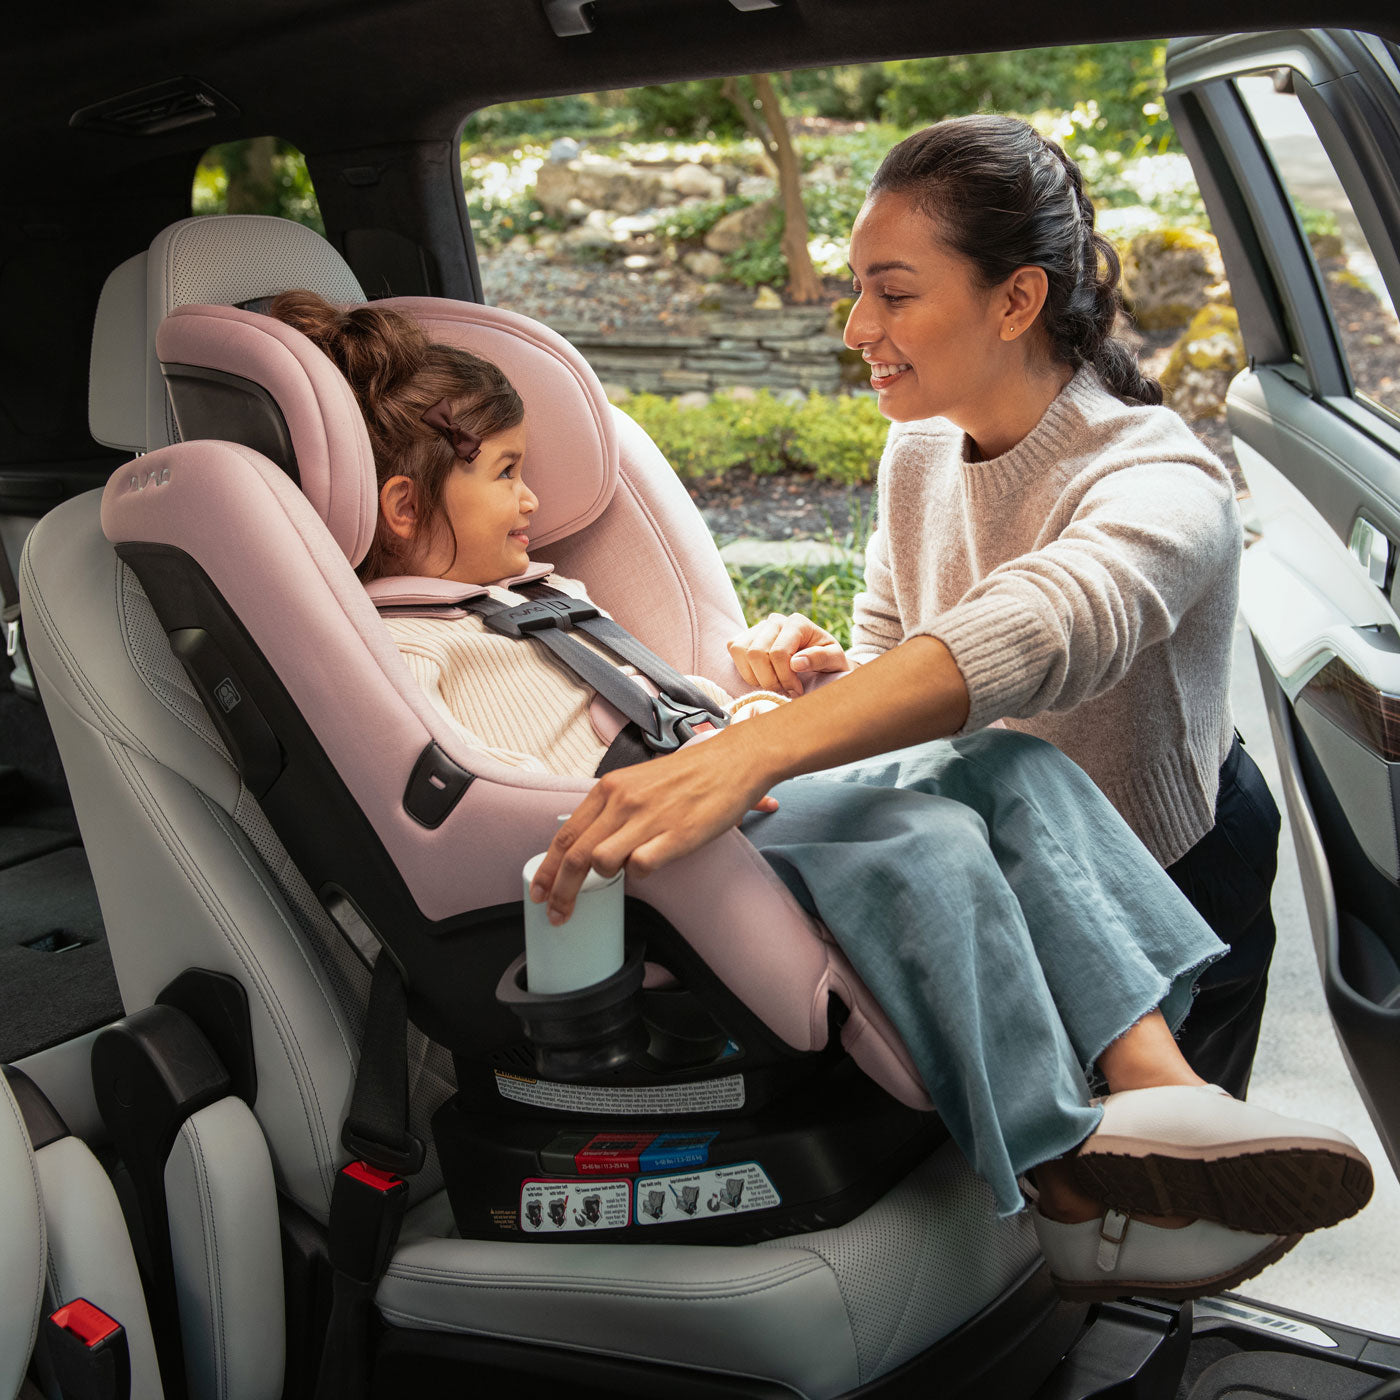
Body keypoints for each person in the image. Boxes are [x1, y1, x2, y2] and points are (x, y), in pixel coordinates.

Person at [267, 288, 1370, 1303]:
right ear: (406, 505)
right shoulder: (406, 646)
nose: (536, 497)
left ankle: (1152, 1081)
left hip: (721, 798)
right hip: (664, 860)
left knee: (1012, 766)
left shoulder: (533, 596)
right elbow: (475, 794)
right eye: (506, 471)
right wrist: (704, 767)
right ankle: (1066, 1183)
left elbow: (651, 707)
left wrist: (758, 703)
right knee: (926, 839)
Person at [529, 113, 1279, 1103]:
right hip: (999, 858)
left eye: (891, 292)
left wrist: (746, 753)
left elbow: (1045, 625)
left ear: (1015, 299)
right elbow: (900, 651)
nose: (854, 329)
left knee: (1156, 1214)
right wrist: (826, 681)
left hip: (1169, 871)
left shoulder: (1160, 478)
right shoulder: (919, 449)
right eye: (855, 289)